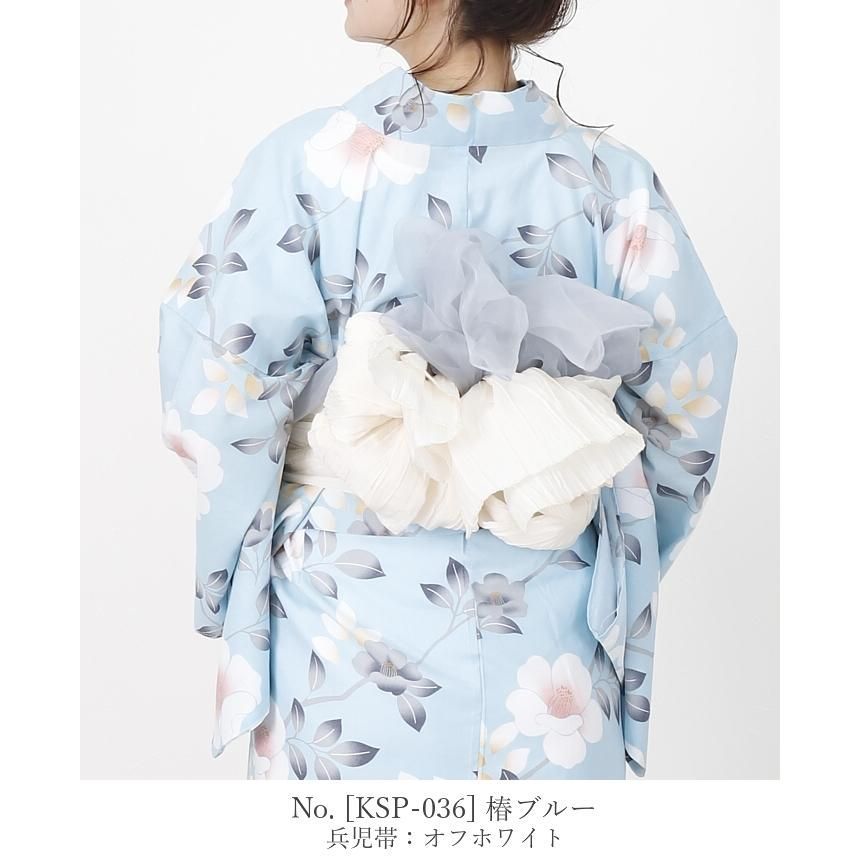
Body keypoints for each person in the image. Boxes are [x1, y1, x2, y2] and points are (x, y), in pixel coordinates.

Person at [157, 0, 739, 780]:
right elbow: (686, 402)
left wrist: (231, 574)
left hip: (341, 633)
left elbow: (216, 385)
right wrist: (595, 533)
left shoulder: (306, 166)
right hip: (551, 644)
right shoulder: (613, 184)